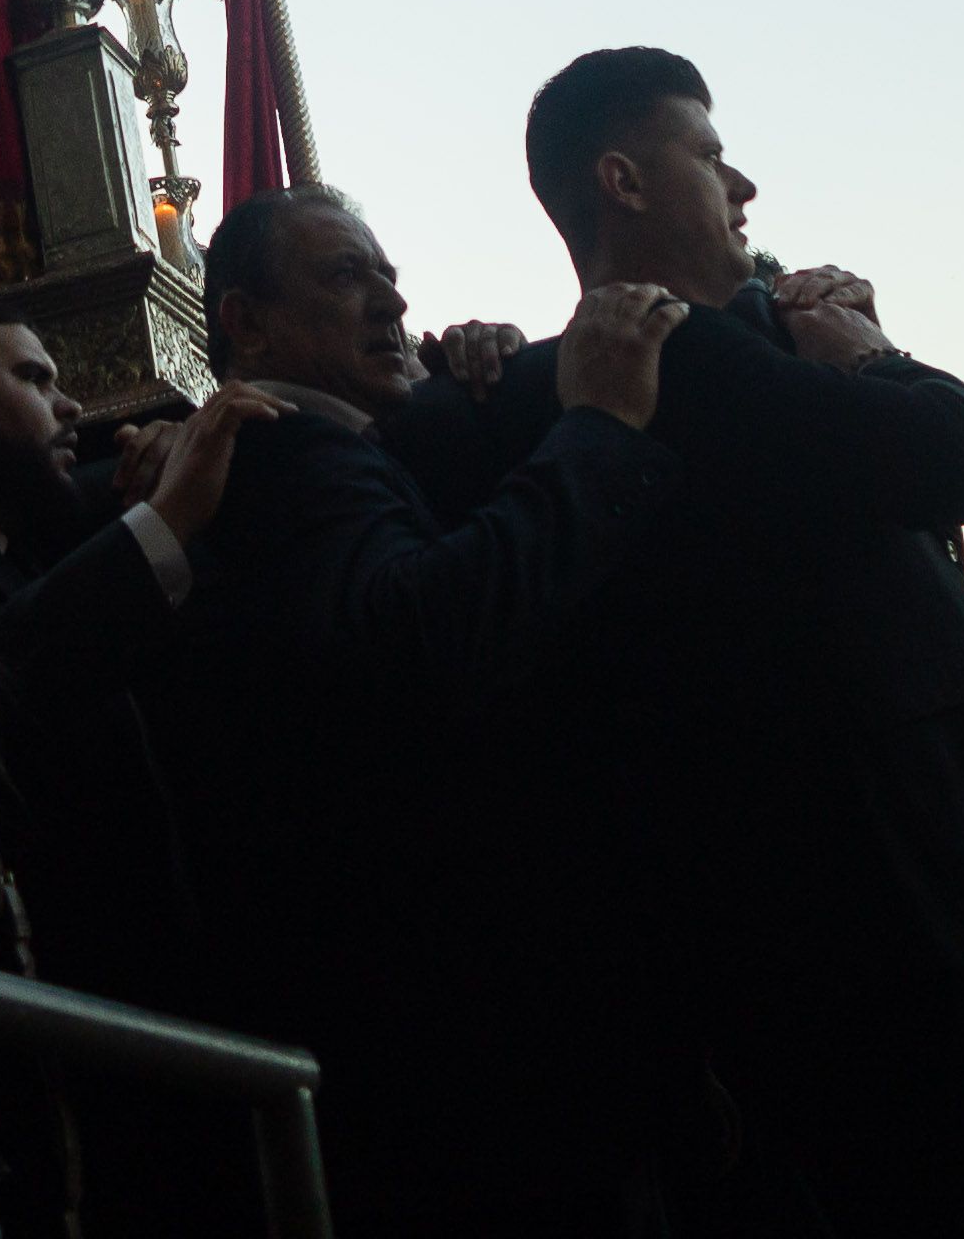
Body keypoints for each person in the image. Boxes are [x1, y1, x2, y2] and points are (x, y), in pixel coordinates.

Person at [395, 50, 964, 1236]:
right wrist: (872, 350)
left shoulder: (583, 379)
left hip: (822, 954)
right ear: (623, 180)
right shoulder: (695, 358)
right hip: (897, 939)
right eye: (711, 154)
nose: (746, 188)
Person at [151, 183, 681, 1237]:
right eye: (347, 278)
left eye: (393, 279)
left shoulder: (352, 449)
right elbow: (427, 635)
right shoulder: (287, 459)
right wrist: (598, 426)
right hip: (459, 1058)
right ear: (244, 322)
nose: (392, 306)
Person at [0, 294, 268, 1225]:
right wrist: (165, 522)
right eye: (35, 379)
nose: (72, 406)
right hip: (39, 1067)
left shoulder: (8, 546)